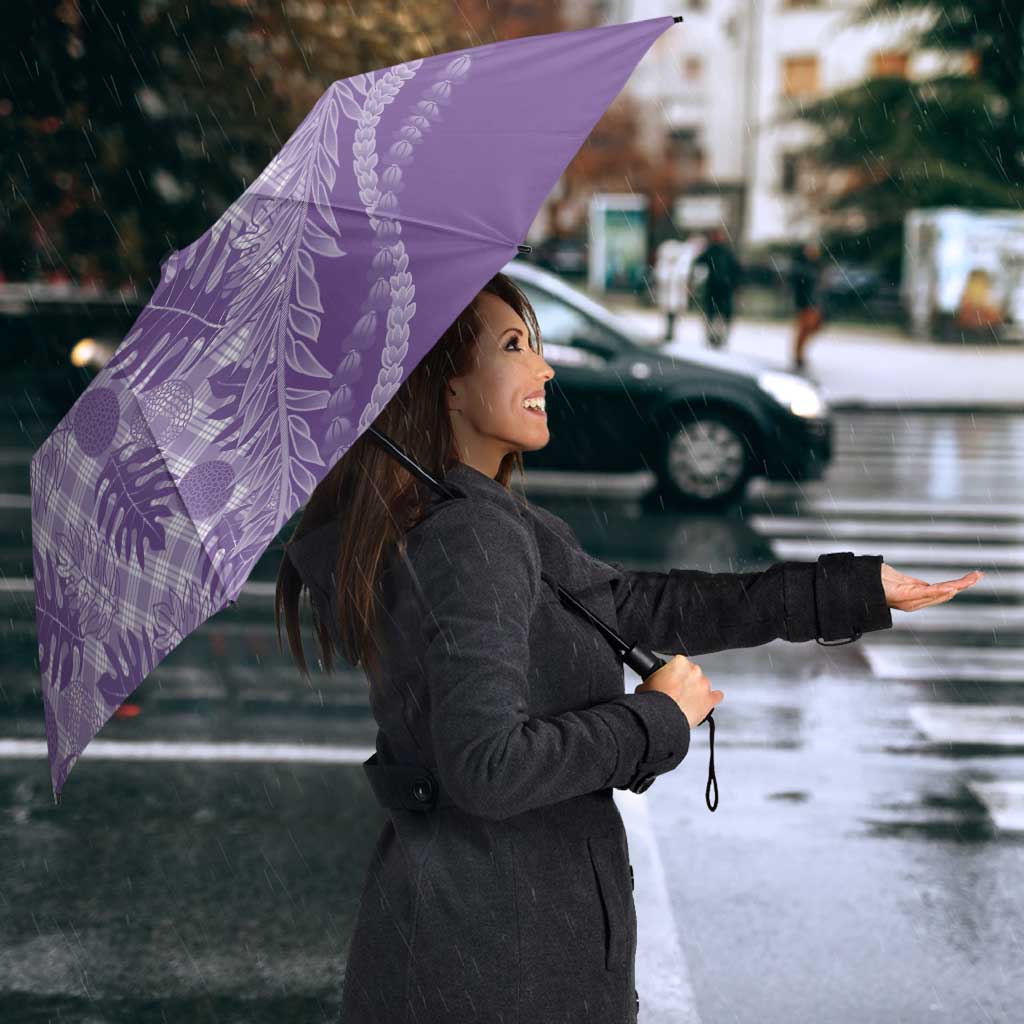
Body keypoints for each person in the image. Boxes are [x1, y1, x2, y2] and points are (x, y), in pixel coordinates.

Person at [275, 272, 970, 1024]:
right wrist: (657, 719)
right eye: (514, 347)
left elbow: (639, 605)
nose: (544, 368)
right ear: (445, 386)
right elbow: (488, 767)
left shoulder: (474, 517)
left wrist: (849, 591)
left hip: (479, 940)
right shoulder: (469, 537)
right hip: (501, 962)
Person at [692, 226, 742, 349]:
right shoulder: (712, 251)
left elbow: (736, 270)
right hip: (715, 288)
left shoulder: (725, 252)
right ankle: (713, 337)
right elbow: (698, 264)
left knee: (720, 315)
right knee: (713, 314)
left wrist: (735, 284)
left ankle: (719, 337)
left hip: (723, 288)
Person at [790, 239, 826, 370]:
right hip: (805, 303)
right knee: (804, 329)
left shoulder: (817, 266)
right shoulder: (802, 267)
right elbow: (799, 286)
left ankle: (799, 354)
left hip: (814, 303)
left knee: (812, 328)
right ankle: (798, 355)